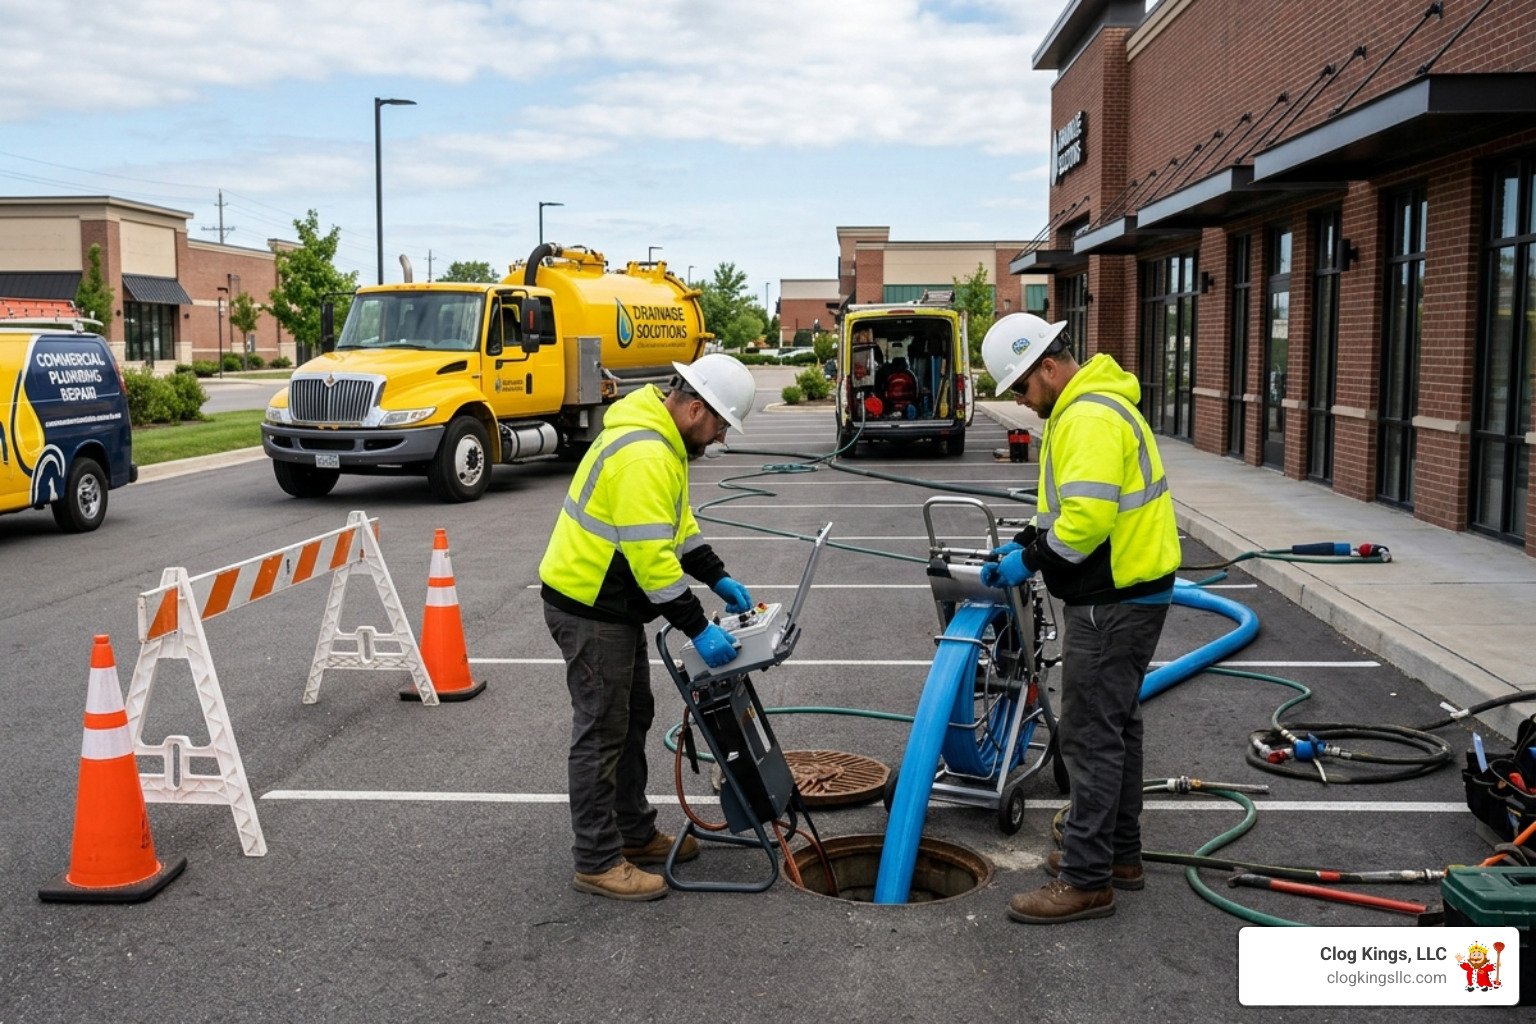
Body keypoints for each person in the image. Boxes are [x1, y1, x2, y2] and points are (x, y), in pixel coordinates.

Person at [977, 313, 1181, 925]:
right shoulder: (1088, 407)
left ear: (1046, 366)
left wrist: (1028, 563)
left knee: (1091, 735)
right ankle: (1119, 855)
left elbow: (1086, 522)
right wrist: (1025, 541)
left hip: (1111, 596)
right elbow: (1067, 506)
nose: (1020, 400)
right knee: (1119, 725)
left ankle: (1087, 879)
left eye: (1020, 386)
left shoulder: (1088, 416)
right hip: (1130, 588)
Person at [539, 353, 758, 902]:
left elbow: (676, 528)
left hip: (610, 606)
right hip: (590, 608)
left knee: (632, 718)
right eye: (721, 424)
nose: (722, 436)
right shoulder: (644, 453)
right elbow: (650, 560)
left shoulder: (663, 442)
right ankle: (596, 860)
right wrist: (697, 628)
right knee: (602, 732)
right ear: (693, 408)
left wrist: (718, 576)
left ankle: (633, 833)